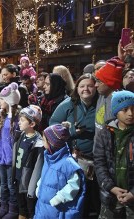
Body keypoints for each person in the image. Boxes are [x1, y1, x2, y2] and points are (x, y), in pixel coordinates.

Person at [49, 73, 100, 216]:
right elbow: (53, 125)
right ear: (77, 88)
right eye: (82, 86)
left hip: (98, 158)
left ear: (95, 87)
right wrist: (72, 131)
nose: (86, 89)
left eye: (90, 86)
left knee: (94, 195)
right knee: (77, 193)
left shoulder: (101, 103)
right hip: (76, 158)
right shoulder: (68, 104)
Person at [94, 90, 134, 218]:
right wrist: (111, 187)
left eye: (133, 109)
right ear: (116, 111)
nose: (131, 113)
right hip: (110, 197)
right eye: (125, 109)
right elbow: (99, 162)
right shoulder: (105, 133)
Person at [34, 124, 85, 219]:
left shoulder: (68, 163)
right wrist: (39, 187)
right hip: (43, 206)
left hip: (57, 209)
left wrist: (59, 198)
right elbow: (44, 176)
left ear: (51, 143)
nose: (42, 141)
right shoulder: (49, 158)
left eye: (44, 139)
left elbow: (74, 185)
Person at [0, 82, 21, 219]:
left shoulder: (18, 116)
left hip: (12, 157)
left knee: (11, 184)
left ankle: (13, 210)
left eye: (1, 99)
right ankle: (4, 207)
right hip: (0, 155)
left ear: (9, 100)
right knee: (3, 183)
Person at [12, 105, 44, 219]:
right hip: (18, 178)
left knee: (31, 208)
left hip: (29, 182)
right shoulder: (21, 135)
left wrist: (32, 186)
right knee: (21, 206)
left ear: (32, 124)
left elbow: (38, 167)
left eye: (22, 120)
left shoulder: (38, 143)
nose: (19, 122)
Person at [94, 57, 124, 138]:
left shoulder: (120, 104)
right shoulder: (102, 94)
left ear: (110, 83)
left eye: (99, 81)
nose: (95, 85)